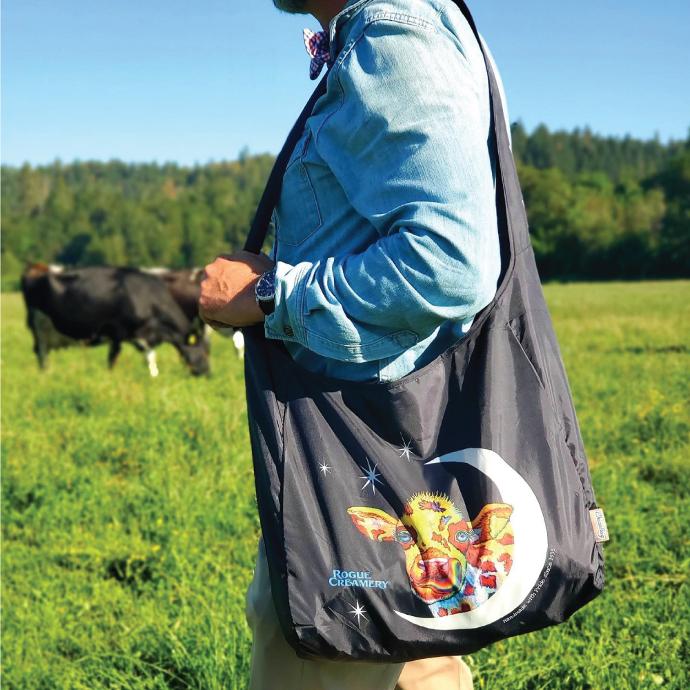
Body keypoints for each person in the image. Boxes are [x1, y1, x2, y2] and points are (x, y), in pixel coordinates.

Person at [199, 0, 510, 687]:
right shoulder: (400, 31)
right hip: (394, 455)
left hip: (355, 448)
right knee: (417, 647)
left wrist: (272, 294)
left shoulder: (398, 38)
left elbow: (450, 264)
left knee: (317, 634)